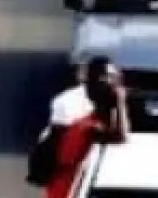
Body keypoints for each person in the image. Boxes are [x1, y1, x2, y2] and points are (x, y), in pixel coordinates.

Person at [37, 56, 129, 198]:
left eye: (115, 78)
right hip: (67, 183)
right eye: (107, 78)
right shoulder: (77, 109)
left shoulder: (92, 105)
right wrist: (119, 102)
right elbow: (120, 136)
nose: (112, 83)